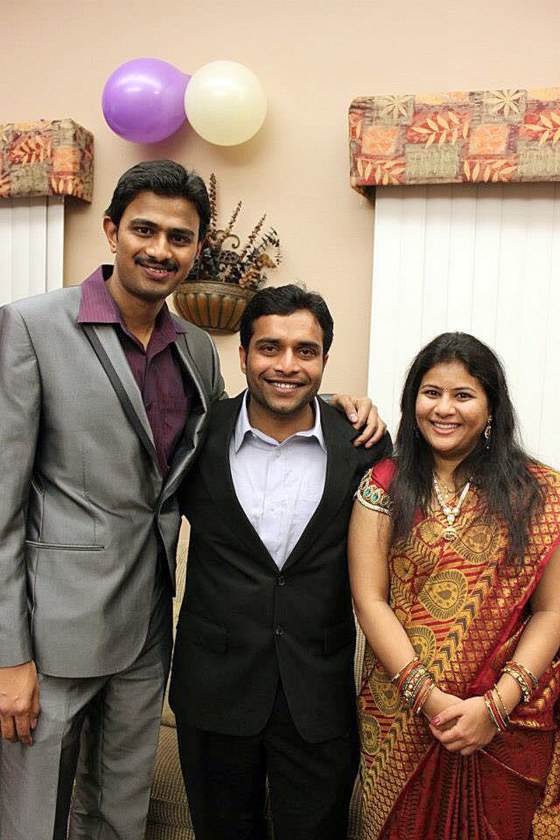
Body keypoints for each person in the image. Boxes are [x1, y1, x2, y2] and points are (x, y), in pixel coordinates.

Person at [0, 160, 384, 840]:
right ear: (113, 231)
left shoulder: (195, 351)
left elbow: (241, 436)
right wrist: (9, 654)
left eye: (179, 238)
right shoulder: (30, 328)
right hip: (54, 628)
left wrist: (343, 407)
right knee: (31, 819)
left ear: (196, 249)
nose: (159, 249)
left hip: (148, 630)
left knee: (119, 813)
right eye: (143, 230)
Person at [169, 284, 392, 840]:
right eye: (269, 348)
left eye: (305, 350)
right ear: (242, 356)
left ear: (323, 361)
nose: (286, 365)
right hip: (215, 689)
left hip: (317, 698)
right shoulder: (196, 435)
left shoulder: (364, 446)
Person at [348, 331, 560, 840]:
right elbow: (370, 600)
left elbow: (553, 612)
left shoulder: (539, 492)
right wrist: (430, 699)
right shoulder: (384, 483)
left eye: (463, 395)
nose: (444, 408)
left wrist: (495, 706)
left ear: (491, 409)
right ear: (412, 401)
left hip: (507, 720)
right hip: (402, 714)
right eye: (431, 392)